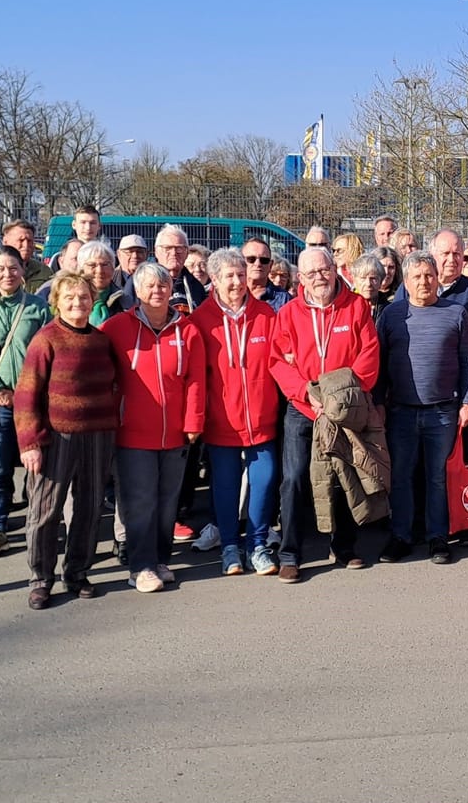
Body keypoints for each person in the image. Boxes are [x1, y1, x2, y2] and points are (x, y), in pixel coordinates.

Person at [271, 246, 383, 579]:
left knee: (344, 475)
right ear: (299, 279)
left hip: (343, 410)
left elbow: (369, 355)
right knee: (293, 479)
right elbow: (277, 361)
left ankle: (345, 546)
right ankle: (290, 553)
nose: (319, 277)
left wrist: (340, 395)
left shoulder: (357, 307)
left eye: (324, 270)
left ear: (335, 270)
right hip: (303, 409)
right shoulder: (288, 314)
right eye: (311, 273)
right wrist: (305, 390)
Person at [15, 272, 122, 608]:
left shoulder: (101, 341)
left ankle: (76, 572)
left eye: (84, 297)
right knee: (45, 512)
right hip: (56, 437)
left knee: (89, 509)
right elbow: (26, 394)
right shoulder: (45, 340)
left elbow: (116, 383)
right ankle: (40, 579)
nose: (78, 303)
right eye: (70, 298)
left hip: (98, 435)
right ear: (57, 302)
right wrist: (29, 442)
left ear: (94, 300)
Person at [102, 262, 206, 593]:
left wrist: (194, 420)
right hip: (133, 432)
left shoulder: (187, 330)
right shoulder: (116, 328)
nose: (157, 291)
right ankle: (140, 566)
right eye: (149, 286)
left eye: (162, 285)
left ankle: (160, 560)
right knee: (140, 500)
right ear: (137, 291)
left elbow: (196, 380)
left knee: (167, 500)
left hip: (176, 432)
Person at [379, 251, 468, 565]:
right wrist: (379, 404)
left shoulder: (456, 313)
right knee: (402, 477)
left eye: (429, 276)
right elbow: (379, 364)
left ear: (438, 279)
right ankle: (401, 537)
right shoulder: (392, 315)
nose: (424, 282)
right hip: (401, 412)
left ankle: (439, 537)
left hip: (443, 411)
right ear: (406, 283)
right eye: (417, 277)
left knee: (438, 477)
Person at [191, 249, 281, 578]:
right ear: (213, 280)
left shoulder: (267, 316)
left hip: (261, 418)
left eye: (240, 275)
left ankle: (257, 544)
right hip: (222, 420)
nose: (236, 282)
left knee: (265, 479)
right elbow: (197, 376)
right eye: (228, 276)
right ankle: (230, 546)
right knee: (225, 486)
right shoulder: (200, 321)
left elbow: (279, 363)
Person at [0, 247, 52, 558]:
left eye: (14, 268)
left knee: (38, 466)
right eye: (1, 268)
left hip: (33, 401)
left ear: (23, 271)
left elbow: (47, 351)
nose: (8, 274)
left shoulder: (37, 307)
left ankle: (40, 524)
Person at [413, 229, 468, 336]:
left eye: (456, 254)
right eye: (445, 253)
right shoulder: (413, 284)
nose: (451, 259)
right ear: (431, 255)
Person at [152, 225, 208, 307]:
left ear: (186, 253)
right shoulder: (144, 281)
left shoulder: (196, 287)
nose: (174, 253)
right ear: (156, 252)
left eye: (179, 248)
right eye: (168, 248)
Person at [76, 240, 124, 324]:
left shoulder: (124, 300)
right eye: (92, 265)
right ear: (81, 269)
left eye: (105, 265)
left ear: (113, 268)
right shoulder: (72, 301)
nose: (99, 271)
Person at [242, 236, 291, 310]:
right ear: (241, 262)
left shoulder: (284, 300)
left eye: (264, 260)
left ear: (270, 265)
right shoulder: (233, 294)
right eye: (251, 259)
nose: (258, 264)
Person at [0, 220, 52, 288]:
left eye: (30, 241)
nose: (26, 245)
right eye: (21, 240)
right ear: (5, 242)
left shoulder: (44, 271)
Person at [350, 252, 390, 323]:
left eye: (373, 278)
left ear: (381, 280)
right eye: (363, 278)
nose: (368, 284)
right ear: (354, 280)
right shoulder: (345, 308)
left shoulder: (390, 310)